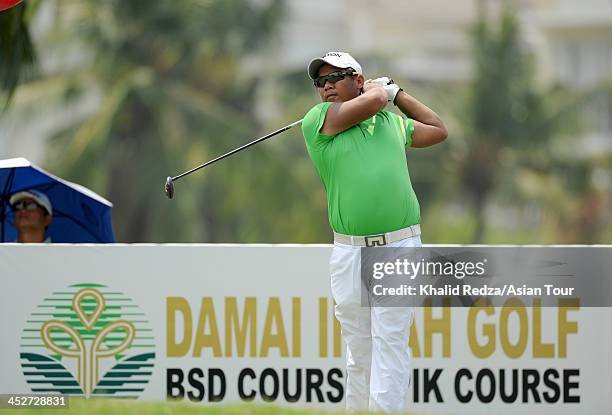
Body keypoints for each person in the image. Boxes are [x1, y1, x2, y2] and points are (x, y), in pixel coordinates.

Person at [301, 52, 448, 412]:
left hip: (400, 247)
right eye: (320, 82)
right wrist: (383, 92)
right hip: (349, 252)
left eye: (336, 77)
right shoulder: (318, 120)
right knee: (359, 354)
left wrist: (398, 93)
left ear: (358, 80)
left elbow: (438, 130)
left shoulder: (392, 123)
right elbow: (376, 99)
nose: (327, 87)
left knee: (390, 343)